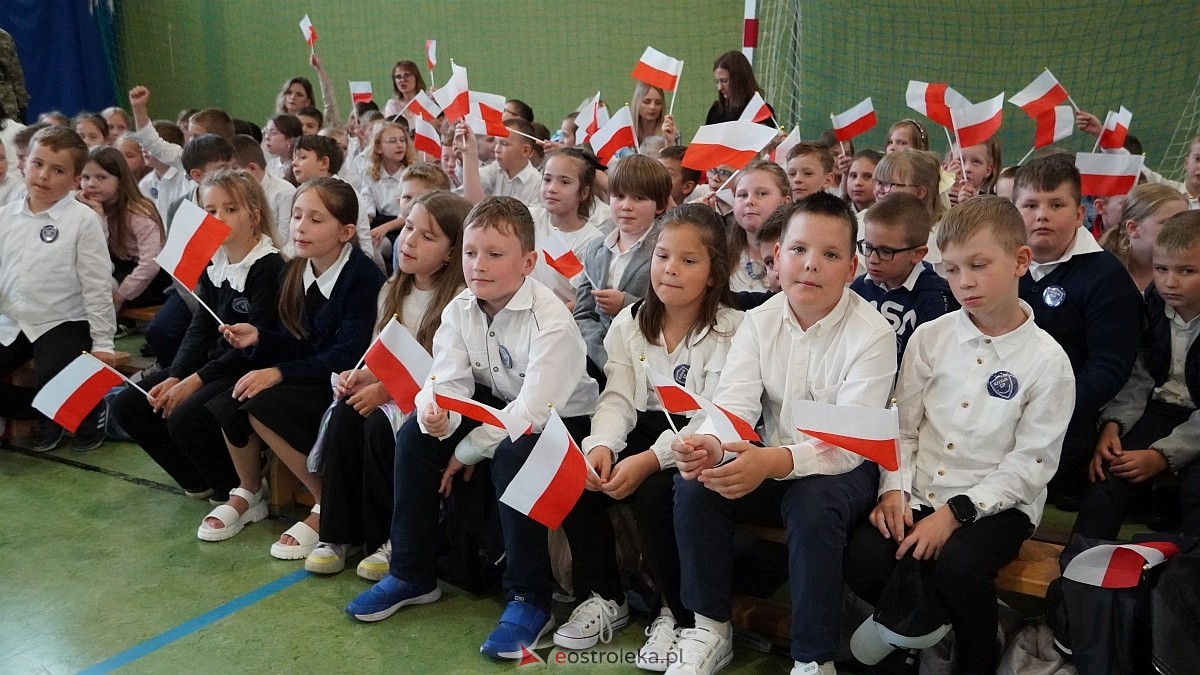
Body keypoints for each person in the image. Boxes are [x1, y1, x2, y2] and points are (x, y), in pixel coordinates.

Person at [344, 197, 601, 664]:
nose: (477, 266)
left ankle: (529, 598)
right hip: (502, 406)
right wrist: (433, 414)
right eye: (470, 252)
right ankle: (412, 573)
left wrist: (465, 449)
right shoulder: (462, 306)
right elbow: (443, 380)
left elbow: (532, 414)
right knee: (414, 438)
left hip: (565, 421)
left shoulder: (552, 321)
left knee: (513, 454)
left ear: (528, 262)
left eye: (495, 255)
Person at [667, 193, 896, 675]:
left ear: (852, 267)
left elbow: (850, 444)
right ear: (776, 256)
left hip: (843, 468)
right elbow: (733, 405)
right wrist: (711, 444)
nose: (810, 265)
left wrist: (770, 462)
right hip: (769, 459)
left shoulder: (873, 333)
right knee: (696, 484)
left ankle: (813, 658)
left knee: (813, 506)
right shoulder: (760, 320)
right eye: (798, 250)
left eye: (830, 255)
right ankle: (709, 627)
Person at [844, 196, 1075, 675]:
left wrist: (955, 513)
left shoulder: (1049, 363)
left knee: (960, 565)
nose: (963, 282)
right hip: (920, 487)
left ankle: (970, 654)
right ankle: (919, 631)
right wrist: (895, 492)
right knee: (865, 556)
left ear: (1020, 261)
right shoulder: (930, 338)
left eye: (978, 265)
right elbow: (903, 430)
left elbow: (1030, 465)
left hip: (998, 505)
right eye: (949, 269)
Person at [558, 204, 742, 666]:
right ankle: (606, 595)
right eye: (662, 256)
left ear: (715, 273)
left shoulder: (736, 329)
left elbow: (717, 415)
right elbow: (617, 397)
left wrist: (646, 462)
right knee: (576, 469)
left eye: (688, 260)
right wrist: (600, 446)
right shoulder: (630, 321)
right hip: (645, 424)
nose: (670, 270)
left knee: (660, 492)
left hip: (704, 440)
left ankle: (675, 612)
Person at [199, 178, 385, 551]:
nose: (300, 226)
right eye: (297, 215)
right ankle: (250, 490)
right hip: (313, 372)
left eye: (316, 219)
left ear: (346, 231)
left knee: (263, 405)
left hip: (344, 383)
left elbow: (346, 356)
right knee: (228, 397)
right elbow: (299, 342)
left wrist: (279, 372)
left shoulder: (363, 277)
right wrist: (260, 338)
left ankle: (326, 502)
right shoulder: (297, 268)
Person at [307, 191, 468, 577]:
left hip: (433, 404)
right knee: (347, 413)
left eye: (427, 236)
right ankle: (339, 532)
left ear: (451, 252)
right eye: (409, 227)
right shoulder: (392, 289)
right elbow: (380, 353)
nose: (409, 240)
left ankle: (392, 537)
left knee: (380, 425)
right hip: (393, 394)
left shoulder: (459, 300)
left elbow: (442, 372)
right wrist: (362, 376)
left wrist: (385, 389)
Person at [110, 169, 284, 502]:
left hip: (248, 367)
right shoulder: (213, 260)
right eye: (210, 210)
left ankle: (237, 487)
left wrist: (194, 381)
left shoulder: (269, 266)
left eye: (230, 209)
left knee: (184, 416)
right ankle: (198, 480)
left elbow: (258, 346)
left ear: (254, 216)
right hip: (215, 364)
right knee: (129, 405)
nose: (218, 218)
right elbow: (201, 324)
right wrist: (177, 374)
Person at [1014, 155, 1143, 510]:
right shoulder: (1001, 263)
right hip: (1001, 398)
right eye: (1030, 204)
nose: (1042, 214)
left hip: (1067, 414)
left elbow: (1109, 366)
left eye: (1056, 204)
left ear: (1078, 214)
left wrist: (1048, 407)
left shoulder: (1105, 275)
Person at [1075, 210, 1200, 540]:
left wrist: (1162, 456)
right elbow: (1139, 370)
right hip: (1159, 408)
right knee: (1109, 472)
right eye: (1161, 269)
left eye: (1187, 271)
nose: (1170, 282)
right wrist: (1115, 423)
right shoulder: (1155, 303)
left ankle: (1181, 581)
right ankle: (1080, 569)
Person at [0, 126, 116, 452]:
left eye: (57, 170)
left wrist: (104, 342)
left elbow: (96, 285)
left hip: (63, 320)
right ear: (24, 164)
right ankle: (49, 411)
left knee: (51, 373)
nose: (43, 176)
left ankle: (85, 408)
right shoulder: (5, 217)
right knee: (46, 390)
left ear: (76, 179)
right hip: (13, 321)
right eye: (37, 164)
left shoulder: (82, 220)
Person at [574, 155, 671, 376]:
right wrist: (603, 357)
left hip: (650, 359)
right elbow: (583, 314)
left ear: (660, 205)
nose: (626, 206)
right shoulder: (595, 248)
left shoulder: (666, 250)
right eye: (619, 196)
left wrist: (626, 304)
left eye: (638, 198)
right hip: (599, 358)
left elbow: (673, 313)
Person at [850, 193, 957, 362]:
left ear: (917, 254)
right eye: (868, 247)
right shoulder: (859, 287)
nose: (872, 259)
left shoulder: (934, 297)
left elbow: (929, 360)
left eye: (886, 251)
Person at [77, 146, 169, 313]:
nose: (91, 184)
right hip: (120, 266)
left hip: (152, 278)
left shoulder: (137, 211)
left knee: (104, 286)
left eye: (101, 177)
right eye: (85, 177)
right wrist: (98, 215)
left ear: (120, 180)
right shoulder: (88, 206)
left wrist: (120, 296)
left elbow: (151, 264)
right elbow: (95, 254)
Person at [528, 148, 604, 305]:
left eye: (564, 182)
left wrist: (547, 316)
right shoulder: (528, 220)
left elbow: (585, 299)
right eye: (547, 179)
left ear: (584, 192)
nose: (552, 188)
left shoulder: (593, 242)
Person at [1097, 184, 1189, 292]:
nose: (1180, 231)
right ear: (1133, 228)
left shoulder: (1192, 270)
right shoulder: (1102, 271)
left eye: (1183, 224)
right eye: (1168, 224)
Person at [729, 159, 791, 292]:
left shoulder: (796, 254)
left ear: (785, 202)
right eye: (742, 195)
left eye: (762, 193)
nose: (749, 201)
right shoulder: (721, 254)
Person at [230, 134, 295, 250]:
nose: (229, 176)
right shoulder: (232, 193)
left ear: (252, 168)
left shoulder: (284, 192)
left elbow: (283, 239)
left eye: (234, 170)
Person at [458, 118, 541, 207]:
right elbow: (470, 199)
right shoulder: (494, 169)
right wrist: (468, 152)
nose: (496, 150)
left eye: (504, 144)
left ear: (525, 151)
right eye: (496, 143)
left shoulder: (537, 184)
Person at [705, 51, 770, 125]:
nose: (720, 88)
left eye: (724, 81)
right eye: (717, 82)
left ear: (739, 79)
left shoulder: (761, 111)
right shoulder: (716, 111)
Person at [633, 82, 679, 152]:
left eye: (658, 103)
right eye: (647, 102)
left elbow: (674, 162)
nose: (652, 107)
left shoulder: (670, 132)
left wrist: (670, 142)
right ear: (637, 103)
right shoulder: (626, 131)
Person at [262, 114, 302, 182]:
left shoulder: (300, 166)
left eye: (274, 133)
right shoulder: (270, 164)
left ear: (290, 140)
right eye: (266, 132)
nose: (267, 137)